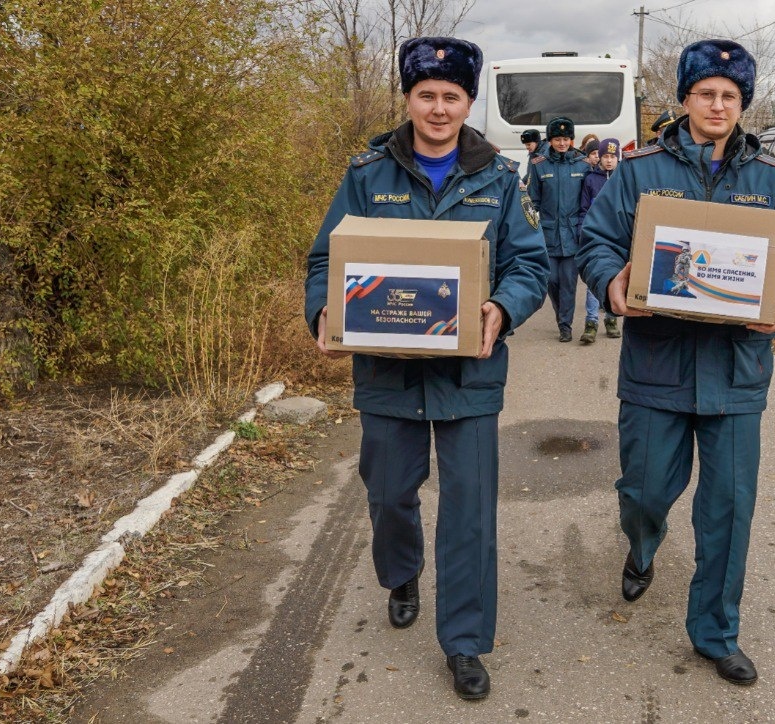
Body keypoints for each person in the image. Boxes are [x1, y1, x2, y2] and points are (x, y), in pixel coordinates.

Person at [304, 36, 549, 701]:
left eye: (452, 97)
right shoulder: (367, 173)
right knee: (388, 493)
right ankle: (402, 570)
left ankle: (465, 641)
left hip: (469, 378)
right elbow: (327, 259)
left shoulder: (500, 178)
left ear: (468, 103)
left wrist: (502, 308)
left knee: (469, 511)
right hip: (387, 374)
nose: (439, 108)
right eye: (426, 95)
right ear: (409, 98)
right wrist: (325, 312)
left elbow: (532, 263)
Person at [576, 39, 775, 686]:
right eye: (706, 93)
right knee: (646, 488)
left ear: (742, 104)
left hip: (736, 371)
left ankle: (715, 632)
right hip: (655, 367)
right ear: (685, 99)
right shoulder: (637, 170)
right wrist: (611, 282)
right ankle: (642, 542)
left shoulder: (770, 179)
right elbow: (595, 240)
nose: (717, 105)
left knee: (729, 509)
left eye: (730, 96)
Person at [526, 116, 590, 342]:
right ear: (550, 140)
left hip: (573, 235)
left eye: (566, 139)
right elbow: (532, 200)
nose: (562, 143)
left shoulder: (583, 165)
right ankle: (560, 313)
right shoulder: (539, 164)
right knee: (551, 280)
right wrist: (532, 229)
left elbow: (588, 200)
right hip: (548, 233)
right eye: (557, 139)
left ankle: (566, 325)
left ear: (571, 140)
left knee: (569, 282)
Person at [576, 137, 622, 342]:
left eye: (613, 157)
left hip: (619, 236)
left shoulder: (623, 178)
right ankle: (591, 322)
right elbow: (584, 209)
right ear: (599, 158)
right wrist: (583, 232)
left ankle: (611, 319)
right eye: (605, 156)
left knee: (615, 278)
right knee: (595, 279)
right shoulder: (590, 180)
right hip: (597, 235)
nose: (609, 161)